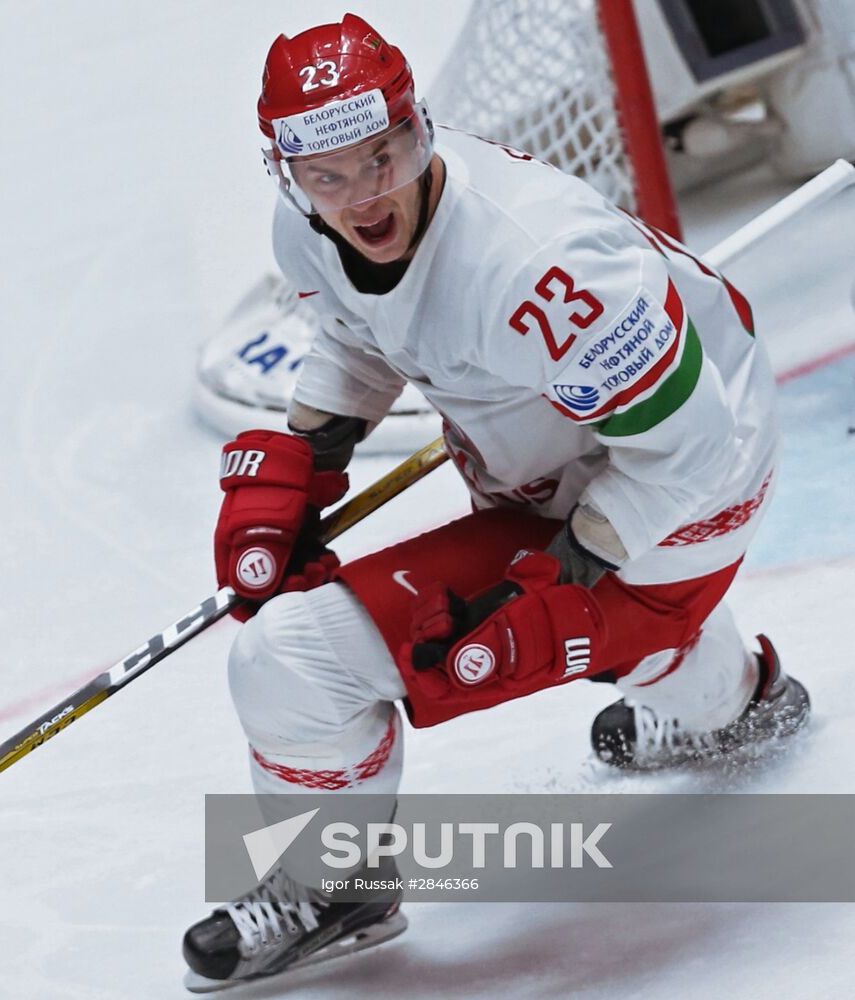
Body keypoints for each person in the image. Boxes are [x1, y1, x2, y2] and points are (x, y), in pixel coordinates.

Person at [182, 13, 810, 991]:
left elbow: (693, 443)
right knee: (609, 630)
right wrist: (310, 454)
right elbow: (362, 331)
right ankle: (728, 700)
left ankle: (331, 884)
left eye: (379, 156)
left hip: (688, 484)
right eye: (327, 176)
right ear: (288, 173)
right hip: (563, 457)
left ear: (415, 129)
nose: (361, 198)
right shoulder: (308, 226)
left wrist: (577, 563)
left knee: (290, 663)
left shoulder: (539, 268)